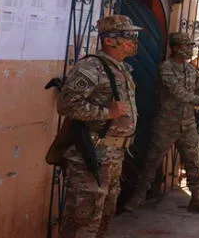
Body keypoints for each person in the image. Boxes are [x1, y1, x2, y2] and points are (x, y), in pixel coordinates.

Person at [56, 15, 141, 238]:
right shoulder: (92, 66)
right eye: (128, 36)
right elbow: (66, 105)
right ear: (110, 40)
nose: (134, 40)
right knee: (83, 222)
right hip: (92, 153)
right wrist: (108, 113)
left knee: (103, 218)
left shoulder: (121, 68)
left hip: (114, 155)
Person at [124, 32, 199, 214]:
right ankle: (137, 198)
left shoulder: (191, 70)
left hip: (187, 123)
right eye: (187, 46)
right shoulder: (166, 68)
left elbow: (198, 91)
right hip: (166, 124)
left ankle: (197, 199)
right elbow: (178, 93)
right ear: (177, 47)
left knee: (193, 163)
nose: (190, 50)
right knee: (151, 162)